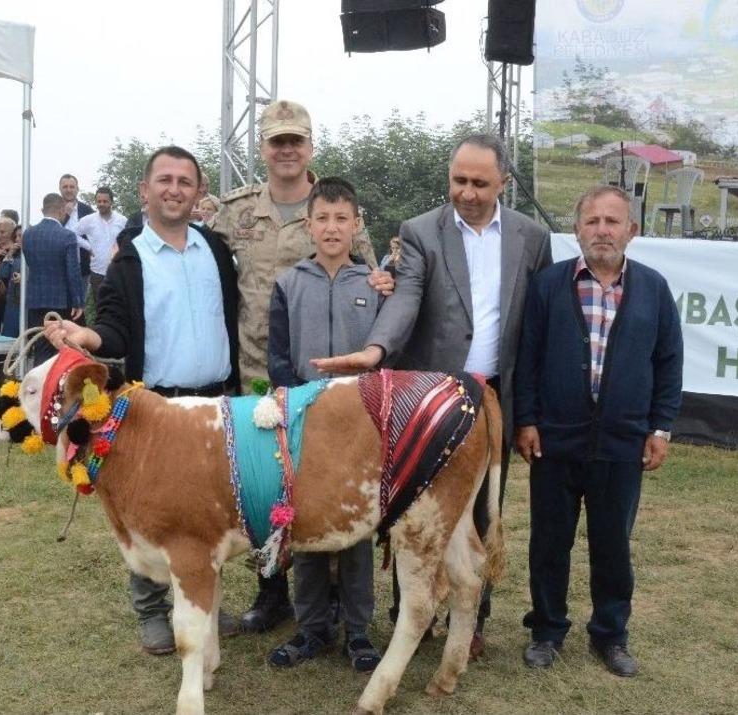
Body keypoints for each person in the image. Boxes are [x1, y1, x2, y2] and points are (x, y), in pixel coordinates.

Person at [311, 133, 552, 657]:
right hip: (427, 404)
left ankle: (473, 619)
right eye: (458, 180)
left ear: (503, 184)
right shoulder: (419, 231)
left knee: (480, 514)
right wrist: (376, 350)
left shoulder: (532, 239)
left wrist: (529, 411)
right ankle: (410, 617)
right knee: (414, 514)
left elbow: (535, 328)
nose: (466, 192)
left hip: (492, 406)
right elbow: (407, 298)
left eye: (479, 183)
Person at [43, 145, 240, 657]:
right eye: (164, 180)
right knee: (153, 511)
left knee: (215, 508)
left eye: (185, 181)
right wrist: (86, 338)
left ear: (198, 192)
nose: (175, 189)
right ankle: (153, 610)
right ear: (145, 191)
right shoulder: (128, 261)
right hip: (156, 406)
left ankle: (206, 600)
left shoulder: (216, 250)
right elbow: (114, 329)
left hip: (216, 405)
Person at [212, 99, 390, 635]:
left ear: (310, 147)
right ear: (263, 148)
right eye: (277, 141)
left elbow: (372, 279)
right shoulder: (235, 211)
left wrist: (388, 282)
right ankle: (272, 593)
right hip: (256, 372)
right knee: (262, 484)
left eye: (296, 140)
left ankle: (334, 594)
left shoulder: (336, 207)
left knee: (326, 478)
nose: (286, 150)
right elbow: (217, 279)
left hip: (327, 379)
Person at [513, 185, 683, 677]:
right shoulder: (548, 285)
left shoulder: (653, 288)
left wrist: (661, 428)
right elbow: (528, 358)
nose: (602, 230)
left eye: (613, 221)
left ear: (632, 230)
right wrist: (526, 420)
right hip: (555, 441)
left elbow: (668, 362)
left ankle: (610, 635)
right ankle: (547, 631)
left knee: (612, 546)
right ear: (576, 230)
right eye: (593, 221)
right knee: (549, 544)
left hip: (622, 443)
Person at [265, 177, 381, 672]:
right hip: (305, 425)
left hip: (359, 429)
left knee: (356, 528)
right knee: (307, 525)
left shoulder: (376, 285)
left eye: (342, 219)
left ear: (357, 225)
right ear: (308, 225)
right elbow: (277, 357)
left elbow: (386, 354)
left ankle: (358, 631)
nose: (332, 228)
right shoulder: (288, 284)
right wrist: (296, 402)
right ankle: (311, 627)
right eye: (322, 219)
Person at [22, 193, 84, 363]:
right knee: (59, 346)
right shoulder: (67, 236)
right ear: (62, 210)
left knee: (40, 344)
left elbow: (29, 263)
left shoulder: (27, 234)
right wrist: (78, 301)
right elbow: (73, 271)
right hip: (59, 301)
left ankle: (37, 385)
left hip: (35, 299)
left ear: (43, 210)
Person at [75, 186, 126, 301]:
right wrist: (88, 246)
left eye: (105, 201)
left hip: (118, 271)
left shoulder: (122, 220)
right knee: (101, 308)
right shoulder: (88, 220)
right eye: (99, 201)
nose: (101, 204)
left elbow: (128, 240)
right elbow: (73, 235)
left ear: (111, 202)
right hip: (97, 272)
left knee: (119, 307)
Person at [58, 173, 95, 280]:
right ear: (59, 189)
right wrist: (66, 215)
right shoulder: (54, 209)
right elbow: (53, 232)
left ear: (77, 189)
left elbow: (94, 235)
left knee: (80, 297)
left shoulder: (87, 210)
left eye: (72, 187)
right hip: (59, 265)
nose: (68, 190)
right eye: (65, 187)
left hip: (82, 267)